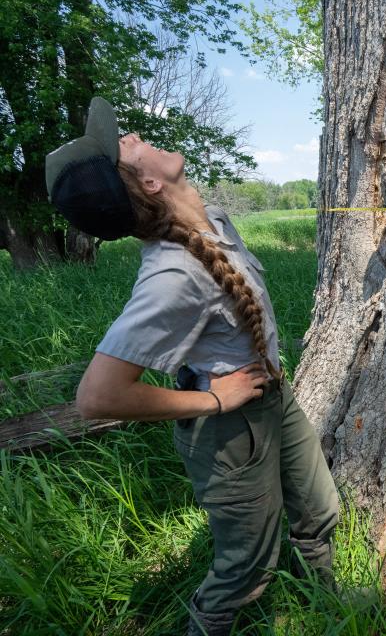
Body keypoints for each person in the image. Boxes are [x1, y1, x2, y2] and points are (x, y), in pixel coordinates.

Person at [45, 98, 340, 634]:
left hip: (273, 397)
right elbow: (97, 396)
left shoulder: (211, 223)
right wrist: (215, 398)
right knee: (246, 568)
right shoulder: (172, 277)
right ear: (149, 185)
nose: (133, 134)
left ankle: (329, 605)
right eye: (124, 145)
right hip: (230, 428)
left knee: (319, 511)